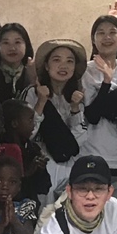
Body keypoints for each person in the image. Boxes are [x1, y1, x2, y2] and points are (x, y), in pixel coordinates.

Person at [81, 15, 117, 203]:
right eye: (101, 33)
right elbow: (92, 116)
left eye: (112, 32)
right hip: (91, 151)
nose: (107, 37)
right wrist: (106, 81)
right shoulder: (86, 71)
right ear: (93, 40)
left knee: (115, 207)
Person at [24, 39, 88, 201]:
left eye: (69, 61)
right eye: (57, 60)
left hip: (70, 168)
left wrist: (75, 108)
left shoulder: (77, 95)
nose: (63, 66)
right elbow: (28, 134)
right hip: (42, 166)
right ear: (46, 66)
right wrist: (41, 102)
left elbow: (79, 141)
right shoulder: (33, 93)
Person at [0, 22, 35, 103]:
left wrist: (33, 80)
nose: (12, 48)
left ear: (26, 45)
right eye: (6, 43)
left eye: (17, 42)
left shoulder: (32, 72)